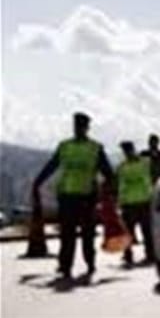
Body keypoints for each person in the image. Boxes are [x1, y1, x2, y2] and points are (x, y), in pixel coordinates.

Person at [32, 112, 116, 280]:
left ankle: (89, 262)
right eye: (76, 126)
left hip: (87, 196)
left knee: (87, 234)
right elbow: (52, 165)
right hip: (66, 196)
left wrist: (110, 190)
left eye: (81, 126)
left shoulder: (95, 148)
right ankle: (65, 265)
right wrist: (38, 181)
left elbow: (108, 172)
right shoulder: (65, 146)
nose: (78, 129)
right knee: (67, 234)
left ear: (86, 128)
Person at [116, 141, 155, 266]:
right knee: (129, 231)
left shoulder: (144, 163)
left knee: (146, 230)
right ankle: (128, 255)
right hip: (130, 202)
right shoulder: (123, 166)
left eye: (127, 150)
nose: (127, 153)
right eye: (125, 151)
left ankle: (149, 254)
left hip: (142, 200)